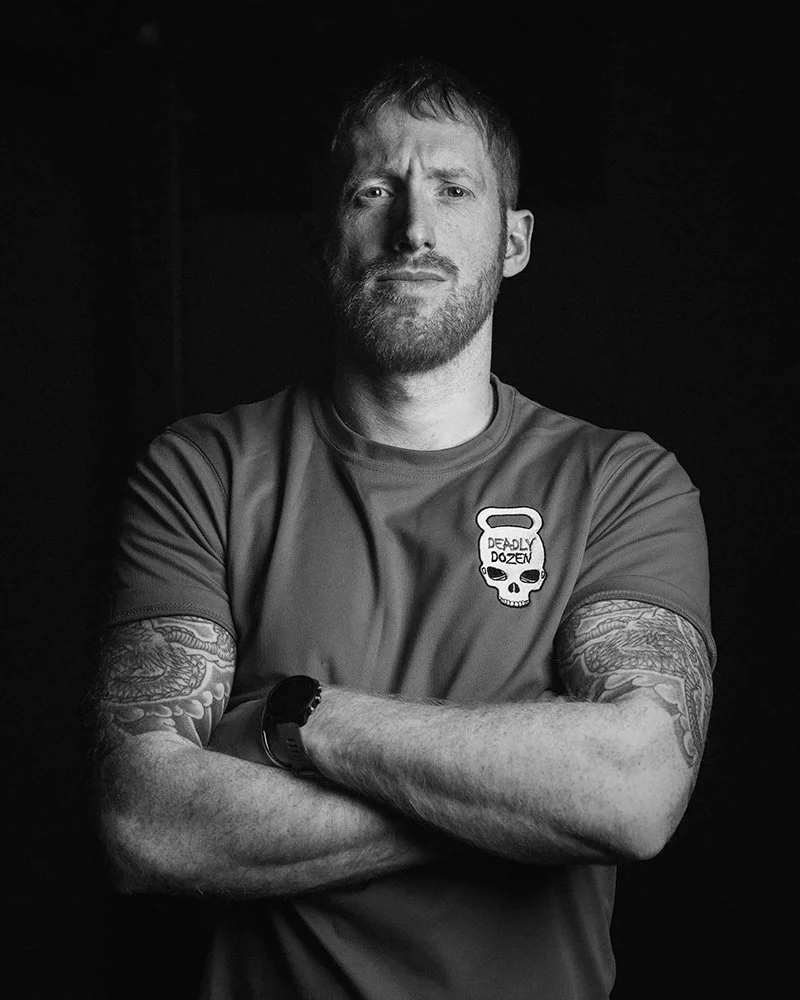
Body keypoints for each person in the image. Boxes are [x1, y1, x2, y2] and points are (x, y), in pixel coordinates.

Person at [93, 58, 715, 1000]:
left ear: (514, 239)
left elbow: (632, 791)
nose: (412, 229)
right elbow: (146, 819)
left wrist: (297, 722)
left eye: (452, 191)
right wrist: (518, 801)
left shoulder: (624, 482)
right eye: (373, 191)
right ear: (319, 236)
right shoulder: (202, 473)